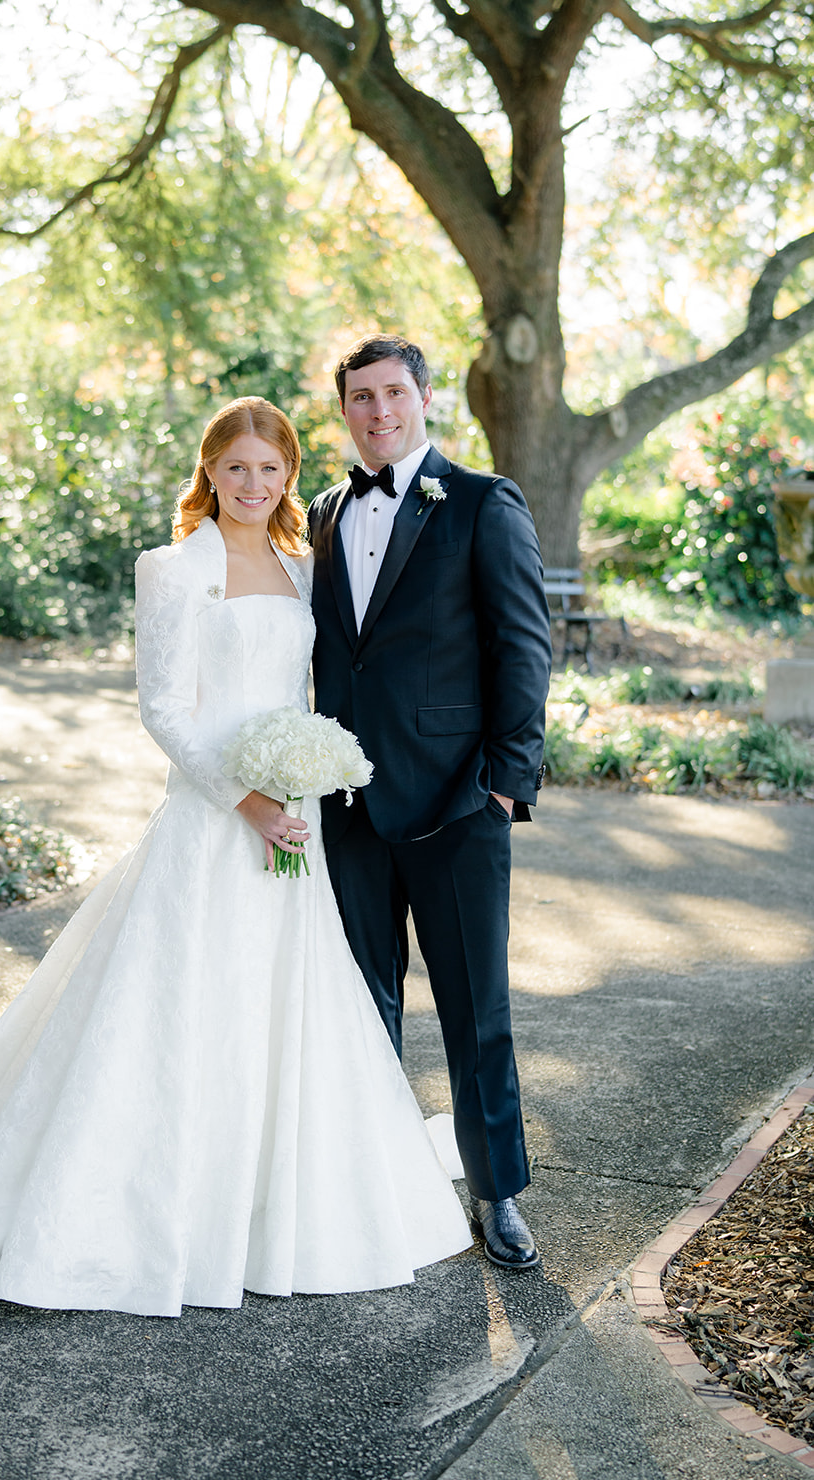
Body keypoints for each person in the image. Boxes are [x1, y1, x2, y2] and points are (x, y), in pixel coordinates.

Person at [0, 397, 471, 1316]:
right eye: (236, 467)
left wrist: (305, 778)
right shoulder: (171, 569)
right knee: (179, 1006)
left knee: (280, 1001)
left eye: (269, 469)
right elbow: (162, 708)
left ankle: (268, 1201)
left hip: (293, 824)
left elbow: (310, 688)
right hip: (212, 820)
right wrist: (245, 799)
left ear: (290, 475)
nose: (252, 484)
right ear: (209, 471)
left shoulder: (304, 567)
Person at [308, 336, 552, 1271]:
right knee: (361, 1003)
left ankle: (496, 1193)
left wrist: (504, 782)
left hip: (456, 800)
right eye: (359, 397)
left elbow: (522, 645)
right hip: (347, 803)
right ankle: (374, 1188)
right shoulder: (324, 513)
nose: (377, 411)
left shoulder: (483, 501)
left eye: (392, 393)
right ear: (344, 410)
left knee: (474, 1008)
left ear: (422, 398)